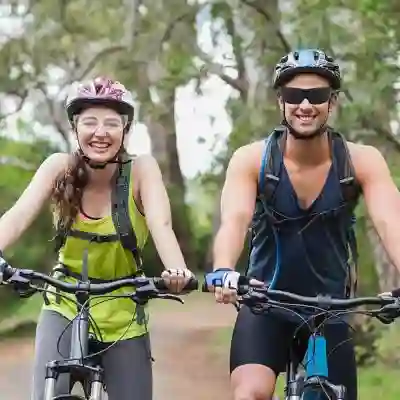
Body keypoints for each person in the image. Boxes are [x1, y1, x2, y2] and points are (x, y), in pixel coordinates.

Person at [205, 49, 400, 400]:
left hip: (331, 310)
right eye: (295, 96)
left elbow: (391, 223)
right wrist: (223, 270)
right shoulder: (252, 160)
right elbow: (234, 220)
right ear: (281, 101)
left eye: (318, 95)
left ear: (333, 102)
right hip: (264, 302)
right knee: (251, 393)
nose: (305, 105)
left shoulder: (362, 161)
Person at [0, 77, 194, 400]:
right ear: (75, 128)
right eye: (90, 122)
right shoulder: (58, 168)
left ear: (126, 130)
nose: (100, 133)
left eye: (111, 124)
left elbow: (161, 225)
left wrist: (177, 271)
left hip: (124, 308)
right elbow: (17, 216)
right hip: (64, 303)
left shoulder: (142, 170)